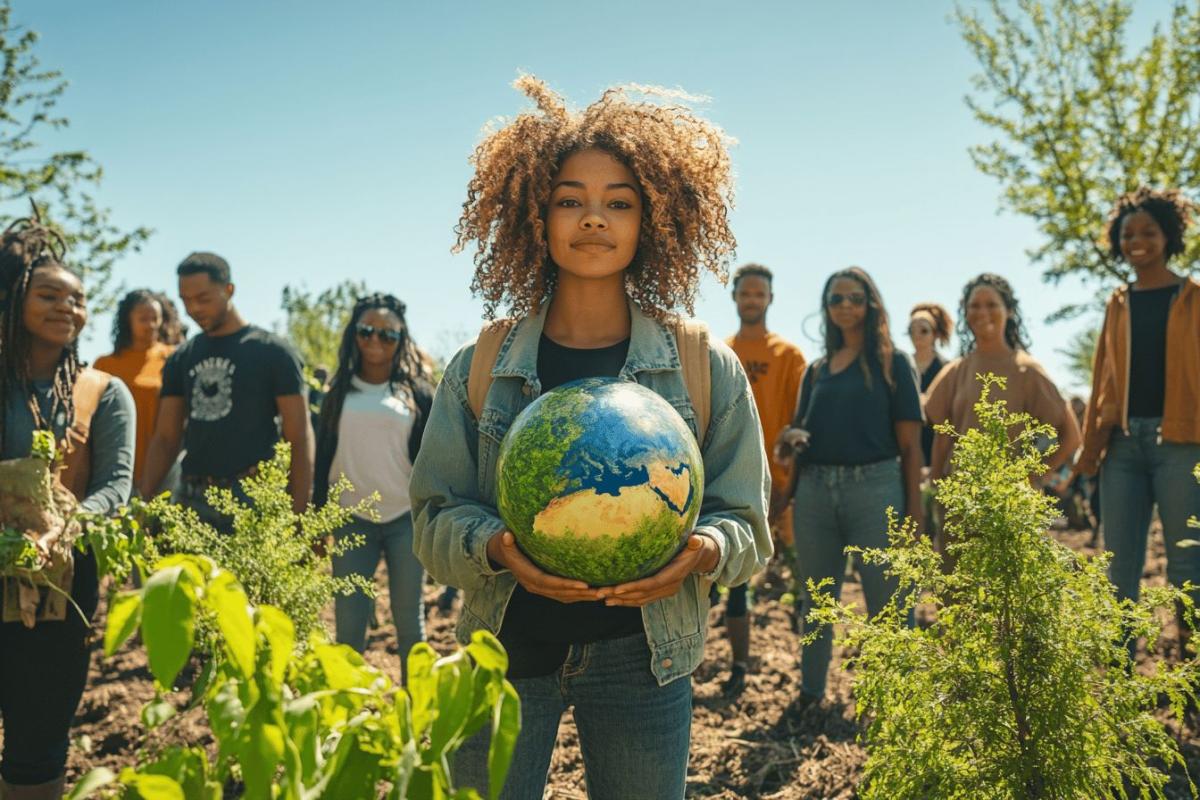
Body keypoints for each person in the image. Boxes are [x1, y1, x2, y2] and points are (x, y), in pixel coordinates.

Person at [409, 76, 771, 800]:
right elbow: (432, 518)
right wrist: (498, 546)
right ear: (533, 218)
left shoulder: (703, 366)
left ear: (655, 220)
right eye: (570, 200)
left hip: (645, 660)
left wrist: (699, 551)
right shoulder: (481, 366)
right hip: (503, 654)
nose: (594, 220)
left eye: (619, 202)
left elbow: (747, 528)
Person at [0, 213, 134, 799]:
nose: (68, 307)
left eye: (78, 299)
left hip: (59, 586)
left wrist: (62, 528)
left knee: (38, 739)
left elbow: (115, 486)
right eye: (48, 294)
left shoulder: (103, 393)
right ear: (12, 298)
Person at [774, 266, 924, 705]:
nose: (845, 307)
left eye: (854, 298)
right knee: (816, 603)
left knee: (890, 604)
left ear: (871, 304)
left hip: (876, 489)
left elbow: (911, 447)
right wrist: (788, 445)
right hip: (816, 494)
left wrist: (914, 512)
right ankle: (810, 698)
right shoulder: (816, 371)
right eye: (836, 299)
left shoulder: (893, 362)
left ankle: (898, 706)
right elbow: (796, 434)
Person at [1075, 188, 1200, 654]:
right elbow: (1103, 379)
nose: (1137, 241)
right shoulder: (1118, 302)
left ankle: (1190, 670)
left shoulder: (1193, 298)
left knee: (1187, 564)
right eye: (1127, 234)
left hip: (1182, 444)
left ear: (1170, 235)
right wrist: (1092, 448)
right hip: (1123, 448)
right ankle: (1121, 680)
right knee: (1119, 568)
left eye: (1148, 231)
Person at [138, 252, 313, 528]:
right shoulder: (182, 357)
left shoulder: (273, 352)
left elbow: (299, 437)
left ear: (229, 290)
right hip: (192, 496)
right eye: (186, 301)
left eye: (203, 299)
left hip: (252, 497)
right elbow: (165, 437)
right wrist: (143, 500)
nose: (194, 309)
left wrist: (299, 517)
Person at [313, 293, 433, 676]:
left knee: (409, 621)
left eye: (388, 334)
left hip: (406, 520)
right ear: (354, 335)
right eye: (366, 331)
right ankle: (343, 713)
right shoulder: (335, 393)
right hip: (351, 519)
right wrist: (315, 522)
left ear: (402, 339)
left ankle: (419, 715)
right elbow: (322, 460)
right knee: (348, 625)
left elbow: (433, 460)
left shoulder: (417, 394)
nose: (376, 341)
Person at [925, 274, 1081, 554]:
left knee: (1010, 594)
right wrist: (939, 493)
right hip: (960, 504)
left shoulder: (1027, 370)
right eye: (974, 306)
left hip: (1012, 504)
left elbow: (1071, 435)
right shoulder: (956, 371)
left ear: (1009, 311)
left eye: (991, 304)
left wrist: (1035, 478)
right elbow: (942, 438)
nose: (982, 313)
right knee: (956, 594)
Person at [719, 262, 805, 696]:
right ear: (735, 296)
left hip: (784, 486)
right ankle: (737, 667)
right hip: (736, 483)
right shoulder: (720, 352)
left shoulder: (789, 357)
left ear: (770, 298)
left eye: (760, 293)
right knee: (735, 579)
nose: (752, 300)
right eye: (745, 293)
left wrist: (788, 486)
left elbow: (800, 423)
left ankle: (810, 672)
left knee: (804, 575)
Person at [94, 289, 175, 489]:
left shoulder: (173, 358)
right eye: (143, 319)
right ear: (127, 321)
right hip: (114, 468)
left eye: (155, 318)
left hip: (165, 468)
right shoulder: (105, 365)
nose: (151, 325)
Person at [907, 302, 953, 467]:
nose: (916, 335)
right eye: (911, 330)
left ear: (935, 334)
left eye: (923, 330)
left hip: (938, 441)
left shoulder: (947, 368)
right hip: (908, 441)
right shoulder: (901, 366)